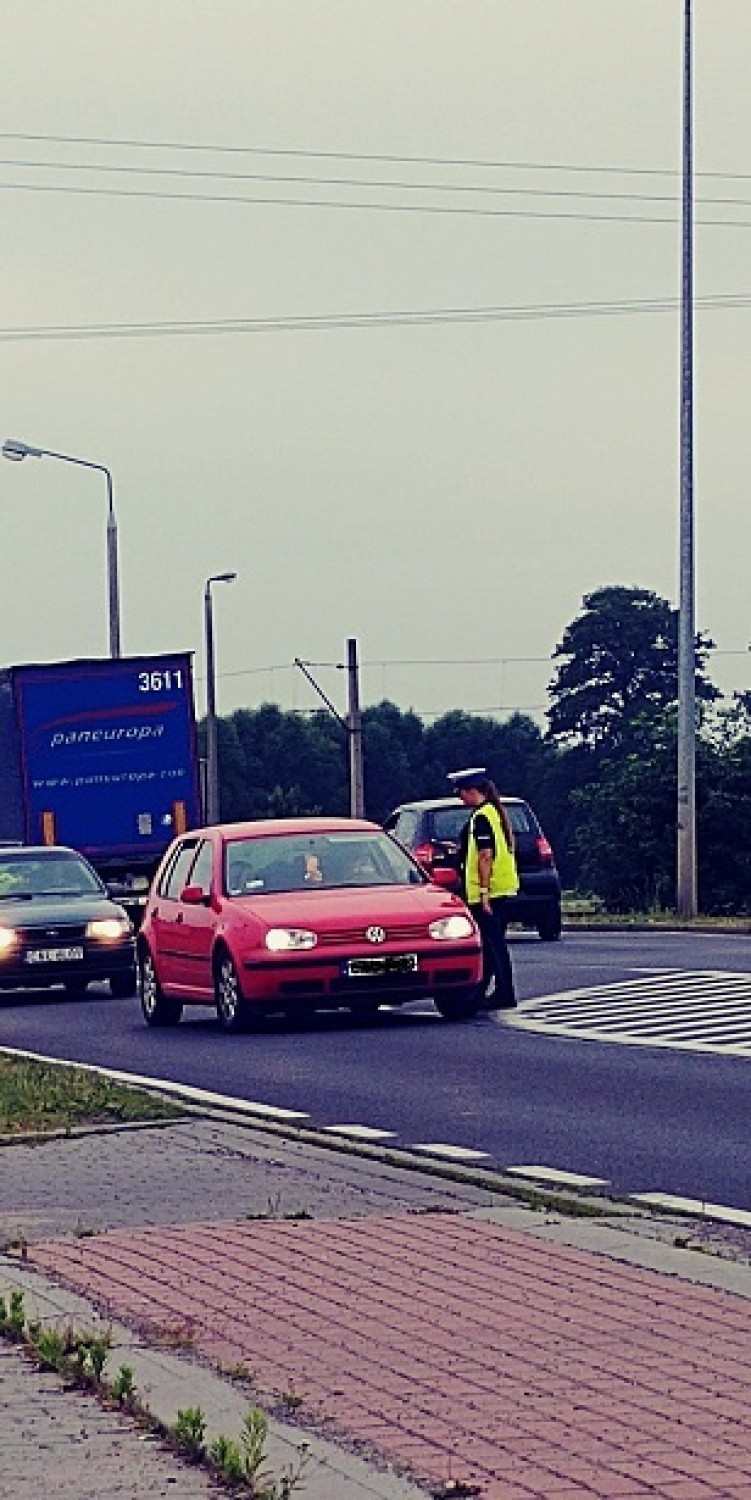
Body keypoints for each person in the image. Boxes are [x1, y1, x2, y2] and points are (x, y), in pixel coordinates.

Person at [447, 766, 518, 1010]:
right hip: (501, 888)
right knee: (490, 944)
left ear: (473, 791)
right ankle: (485, 993)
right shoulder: (493, 812)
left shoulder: (481, 817)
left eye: (462, 792)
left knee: (493, 944)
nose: (460, 798)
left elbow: (485, 856)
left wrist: (484, 893)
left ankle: (504, 992)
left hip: (488, 891)